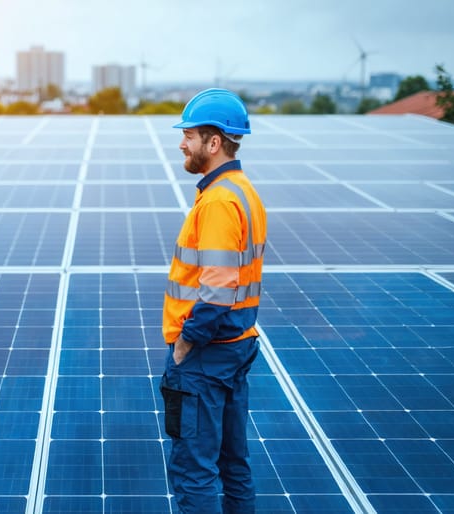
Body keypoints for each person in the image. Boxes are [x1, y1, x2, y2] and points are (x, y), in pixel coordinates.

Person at [159, 88, 267, 514]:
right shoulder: (241, 190)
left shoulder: (221, 201)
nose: (181, 144)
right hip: (235, 345)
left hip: (206, 354)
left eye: (188, 135)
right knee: (233, 464)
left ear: (214, 141)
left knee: (194, 470)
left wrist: (186, 343)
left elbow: (217, 287)